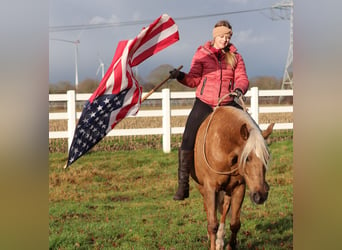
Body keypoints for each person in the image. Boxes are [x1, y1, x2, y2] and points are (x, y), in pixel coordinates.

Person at [169, 20, 249, 200]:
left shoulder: (236, 56)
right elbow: (194, 80)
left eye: (228, 37)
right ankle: (183, 185)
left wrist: (239, 89)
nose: (225, 40)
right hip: (205, 102)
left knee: (252, 130)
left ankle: (255, 177)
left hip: (227, 102)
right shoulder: (202, 54)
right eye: (222, 36)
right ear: (215, 36)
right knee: (188, 137)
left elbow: (242, 78)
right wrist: (180, 76)